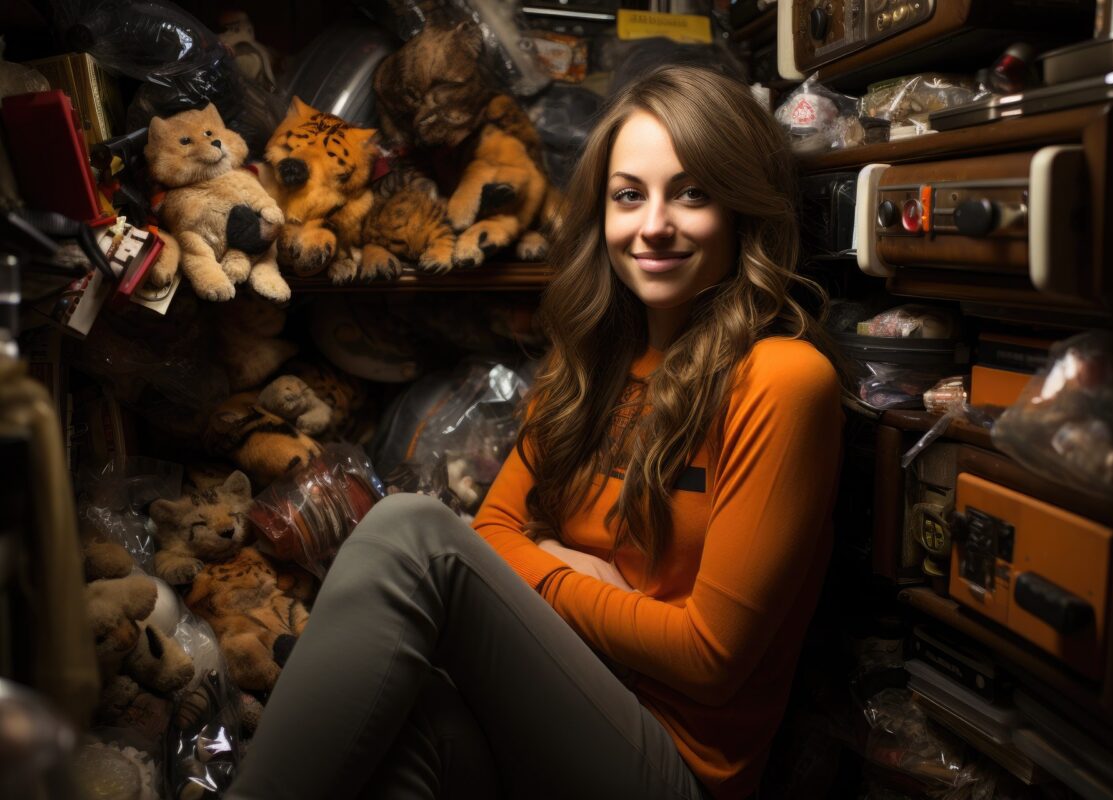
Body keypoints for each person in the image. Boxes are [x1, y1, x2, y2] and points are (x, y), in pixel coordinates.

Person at [228, 65, 844, 800]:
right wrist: (593, 588)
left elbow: (709, 658)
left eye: (692, 193)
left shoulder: (781, 380)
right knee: (396, 722)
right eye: (628, 196)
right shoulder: (591, 367)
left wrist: (549, 568)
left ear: (742, 209)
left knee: (411, 532)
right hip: (559, 713)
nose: (653, 225)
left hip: (675, 767)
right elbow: (492, 531)